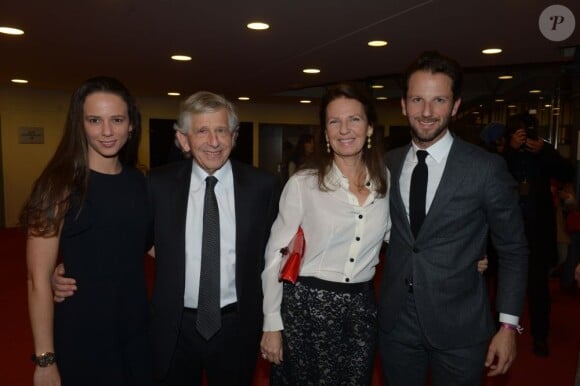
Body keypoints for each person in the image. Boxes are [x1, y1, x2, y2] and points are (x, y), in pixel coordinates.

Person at [53, 91, 281, 386]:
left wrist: (274, 321)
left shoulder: (262, 187)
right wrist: (67, 269)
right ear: (183, 139)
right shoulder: (157, 185)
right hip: (173, 328)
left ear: (234, 136)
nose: (213, 141)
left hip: (238, 327)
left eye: (221, 130)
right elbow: (126, 238)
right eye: (202, 131)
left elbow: (277, 257)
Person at [378, 51, 529, 386]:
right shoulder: (387, 164)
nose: (427, 112)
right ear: (404, 104)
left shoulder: (485, 168)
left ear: (455, 105)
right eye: (417, 99)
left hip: (461, 327)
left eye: (439, 100)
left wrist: (507, 325)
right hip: (396, 323)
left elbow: (514, 249)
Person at [21, 76, 153, 386]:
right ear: (79, 124)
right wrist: (45, 359)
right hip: (82, 331)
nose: (107, 131)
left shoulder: (141, 183)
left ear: (131, 124)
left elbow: (149, 245)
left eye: (116, 120)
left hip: (138, 329)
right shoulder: (58, 185)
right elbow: (37, 280)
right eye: (94, 120)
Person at [260, 83, 390, 385]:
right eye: (335, 121)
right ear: (326, 131)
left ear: (369, 127)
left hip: (361, 311)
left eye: (354, 119)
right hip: (306, 310)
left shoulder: (386, 180)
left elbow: (399, 237)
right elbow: (274, 256)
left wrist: (461, 255)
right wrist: (271, 323)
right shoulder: (304, 183)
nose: (345, 129)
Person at [503, 112, 574, 356]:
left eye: (528, 132)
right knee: (505, 285)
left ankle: (540, 337)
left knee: (538, 288)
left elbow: (567, 173)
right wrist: (511, 151)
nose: (525, 137)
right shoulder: (504, 155)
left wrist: (545, 151)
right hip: (509, 231)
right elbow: (497, 177)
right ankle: (499, 330)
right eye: (520, 132)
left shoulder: (543, 154)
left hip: (537, 231)